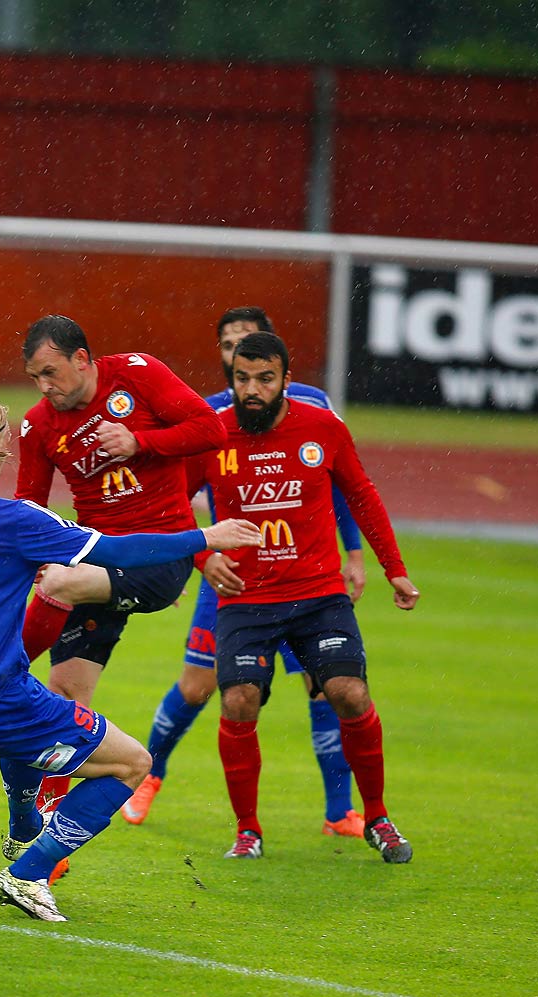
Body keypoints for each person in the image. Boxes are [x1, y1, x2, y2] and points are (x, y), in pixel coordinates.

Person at [0, 396, 265, 921]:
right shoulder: (17, 519)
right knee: (133, 765)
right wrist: (204, 538)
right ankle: (28, 872)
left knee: (28, 723)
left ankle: (21, 829)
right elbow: (117, 554)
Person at [0, 316, 227, 824]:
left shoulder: (139, 375)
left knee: (58, 581)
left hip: (156, 559)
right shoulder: (40, 425)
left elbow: (211, 429)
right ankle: (47, 839)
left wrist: (142, 443)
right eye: (35, 378)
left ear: (81, 359)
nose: (44, 386)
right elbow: (27, 504)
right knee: (65, 698)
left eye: (51, 372)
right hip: (97, 564)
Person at [122, 307, 368, 837]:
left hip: (302, 575)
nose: (237, 353)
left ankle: (339, 810)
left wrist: (353, 553)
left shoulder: (315, 408)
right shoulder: (207, 415)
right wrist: (197, 558)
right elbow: (175, 496)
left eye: (246, 344)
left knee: (326, 685)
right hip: (233, 578)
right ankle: (148, 776)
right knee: (198, 685)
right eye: (229, 346)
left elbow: (342, 485)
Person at [199, 330, 418, 864]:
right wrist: (204, 557)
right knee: (237, 701)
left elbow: (361, 493)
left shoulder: (322, 427)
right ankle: (247, 829)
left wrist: (394, 568)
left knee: (349, 692)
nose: (253, 389)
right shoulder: (210, 434)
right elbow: (171, 503)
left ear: (285, 381)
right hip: (247, 599)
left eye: (265, 379)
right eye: (243, 379)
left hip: (318, 594)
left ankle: (378, 817)